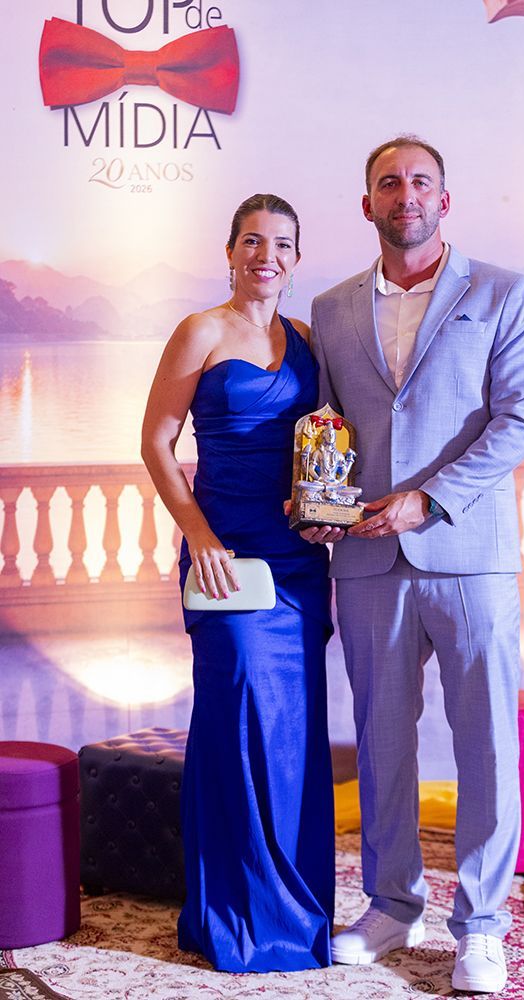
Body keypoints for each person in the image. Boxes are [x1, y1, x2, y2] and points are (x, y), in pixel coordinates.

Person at [302, 136, 524, 993]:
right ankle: (390, 904)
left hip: (470, 555)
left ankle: (480, 926)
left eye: (419, 182)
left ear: (444, 200)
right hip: (367, 559)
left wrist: (429, 498)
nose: (403, 194)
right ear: (366, 203)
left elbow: (520, 420)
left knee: (486, 745)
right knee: (381, 744)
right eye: (387, 183)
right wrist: (320, 506)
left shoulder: (503, 293)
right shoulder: (330, 307)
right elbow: (326, 427)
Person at [141, 194, 334, 973]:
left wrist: (324, 512)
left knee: (292, 731)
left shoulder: (308, 339)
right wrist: (198, 535)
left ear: (295, 258)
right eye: (252, 241)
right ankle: (235, 913)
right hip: (223, 557)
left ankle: (295, 911)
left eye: (281, 244)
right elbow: (156, 441)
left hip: (297, 562)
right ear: (229, 252)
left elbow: (326, 442)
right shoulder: (200, 330)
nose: (266, 256)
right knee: (240, 716)